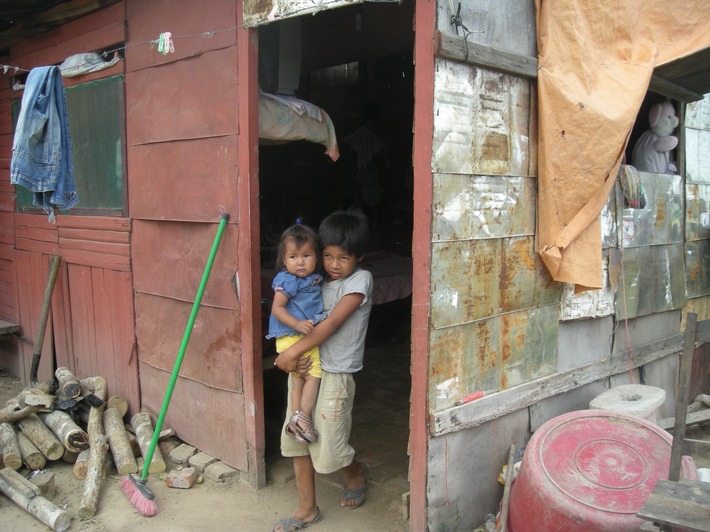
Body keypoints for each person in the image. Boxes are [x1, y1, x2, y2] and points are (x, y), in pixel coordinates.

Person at [272, 209, 374, 532]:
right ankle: (307, 508)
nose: (334, 264)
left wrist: (288, 355)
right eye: (328, 256)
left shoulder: (359, 281)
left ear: (359, 257)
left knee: (328, 447)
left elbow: (329, 325)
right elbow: (287, 311)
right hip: (306, 366)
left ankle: (356, 472)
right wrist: (292, 356)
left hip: (335, 372)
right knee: (297, 436)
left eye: (343, 257)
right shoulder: (314, 281)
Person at [267, 223, 327, 443]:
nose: (300, 262)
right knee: (314, 374)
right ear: (284, 260)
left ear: (317, 258)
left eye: (306, 255)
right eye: (293, 257)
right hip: (294, 335)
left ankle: (294, 419)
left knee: (298, 377)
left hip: (294, 337)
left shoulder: (313, 278)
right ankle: (304, 418)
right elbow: (277, 308)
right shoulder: (288, 280)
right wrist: (298, 324)